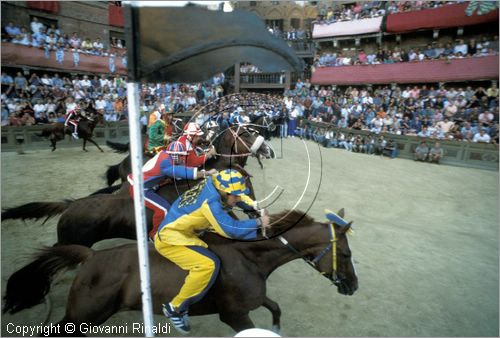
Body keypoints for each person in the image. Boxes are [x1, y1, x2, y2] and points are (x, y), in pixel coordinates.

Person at [155, 169, 270, 334]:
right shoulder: (211, 203)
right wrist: (259, 222)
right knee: (208, 264)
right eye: (235, 196)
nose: (238, 199)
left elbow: (238, 197)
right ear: (225, 192)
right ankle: (175, 308)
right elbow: (232, 230)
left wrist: (254, 205)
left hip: (183, 227)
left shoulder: (216, 182)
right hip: (170, 238)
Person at [128, 141, 218, 240]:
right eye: (182, 156)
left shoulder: (166, 155)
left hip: (149, 183)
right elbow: (184, 172)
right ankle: (154, 235)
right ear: (175, 156)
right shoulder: (165, 164)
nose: (183, 158)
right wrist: (207, 173)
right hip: (140, 189)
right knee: (164, 210)